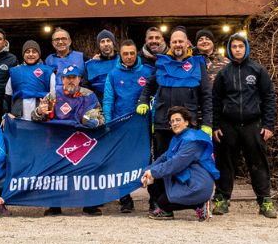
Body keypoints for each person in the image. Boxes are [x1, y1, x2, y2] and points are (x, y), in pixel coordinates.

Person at [212, 32, 278, 218]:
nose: (237, 50)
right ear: (229, 49)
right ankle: (222, 200)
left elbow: (269, 98)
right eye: (234, 47)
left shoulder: (258, 70)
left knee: (258, 164)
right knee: (225, 164)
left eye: (241, 46)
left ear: (246, 48)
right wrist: (215, 126)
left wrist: (268, 125)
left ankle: (265, 202)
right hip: (228, 126)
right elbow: (215, 101)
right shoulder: (223, 73)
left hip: (252, 125)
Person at [32, 65, 102, 216]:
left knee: (88, 170)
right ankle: (54, 205)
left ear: (79, 79)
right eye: (67, 78)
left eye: (74, 77)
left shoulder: (89, 95)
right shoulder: (53, 96)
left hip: (82, 140)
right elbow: (35, 118)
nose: (71, 80)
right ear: (62, 79)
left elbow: (101, 118)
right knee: (55, 173)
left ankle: (90, 204)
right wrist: (39, 112)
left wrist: (95, 122)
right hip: (57, 140)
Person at [140, 26, 213, 161]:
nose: (177, 44)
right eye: (174, 42)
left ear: (187, 43)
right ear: (170, 44)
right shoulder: (162, 63)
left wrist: (207, 123)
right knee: (162, 162)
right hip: (163, 124)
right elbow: (149, 86)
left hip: (188, 125)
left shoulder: (197, 64)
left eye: (180, 41)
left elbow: (206, 95)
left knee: (186, 163)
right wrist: (143, 101)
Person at [141, 106, 220, 221]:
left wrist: (152, 172)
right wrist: (146, 172)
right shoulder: (178, 138)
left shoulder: (192, 140)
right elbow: (164, 158)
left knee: (162, 202)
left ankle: (200, 204)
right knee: (155, 181)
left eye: (178, 120)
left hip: (198, 184)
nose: (175, 123)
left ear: (186, 122)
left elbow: (176, 164)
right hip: (188, 179)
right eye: (172, 121)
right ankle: (193, 204)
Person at [102, 39, 152, 213]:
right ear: (120, 55)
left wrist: (152, 119)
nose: (129, 57)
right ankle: (125, 198)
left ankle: (154, 198)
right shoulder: (113, 74)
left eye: (132, 53)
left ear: (136, 53)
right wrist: (109, 123)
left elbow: (155, 96)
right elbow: (108, 99)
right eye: (125, 54)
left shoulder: (147, 72)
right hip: (121, 125)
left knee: (147, 160)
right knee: (121, 163)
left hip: (142, 124)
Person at [6, 40, 53, 120]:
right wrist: (7, 113)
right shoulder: (15, 71)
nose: (31, 54)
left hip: (40, 118)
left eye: (34, 52)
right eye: (27, 52)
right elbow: (7, 96)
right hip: (18, 119)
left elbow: (53, 95)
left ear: (39, 54)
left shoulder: (47, 71)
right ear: (23, 54)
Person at [45, 28, 85, 94]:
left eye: (63, 39)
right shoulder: (48, 60)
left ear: (70, 41)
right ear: (53, 43)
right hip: (56, 97)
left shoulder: (81, 57)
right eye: (57, 39)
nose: (60, 42)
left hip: (77, 97)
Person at [84, 28, 119, 96]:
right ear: (99, 45)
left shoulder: (122, 61)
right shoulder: (91, 65)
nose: (106, 44)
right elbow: (85, 85)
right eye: (102, 41)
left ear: (113, 43)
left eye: (108, 40)